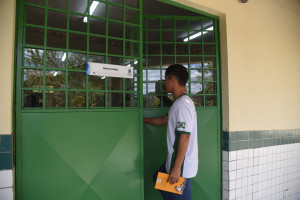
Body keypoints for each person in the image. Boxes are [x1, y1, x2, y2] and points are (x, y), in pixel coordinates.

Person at [144, 64, 198, 200]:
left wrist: (176, 167)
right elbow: (164, 119)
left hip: (180, 165)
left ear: (172, 80)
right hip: (177, 163)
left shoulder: (182, 106)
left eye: (165, 79)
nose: (164, 83)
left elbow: (184, 137)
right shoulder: (179, 103)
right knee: (158, 177)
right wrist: (142, 120)